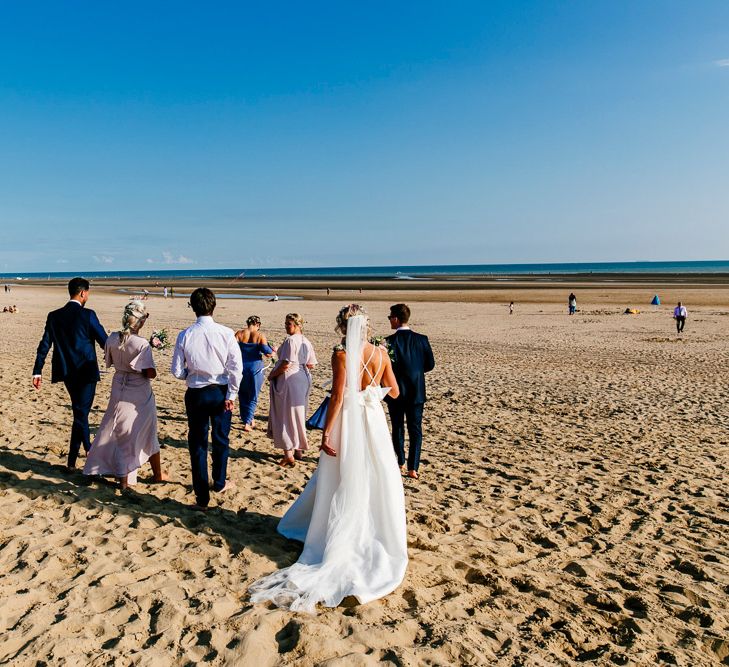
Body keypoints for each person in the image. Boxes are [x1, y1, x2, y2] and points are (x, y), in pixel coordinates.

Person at [250, 304, 407, 612]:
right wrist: (372, 391)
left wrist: (326, 433)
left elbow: (337, 397)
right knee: (376, 473)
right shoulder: (380, 353)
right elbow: (396, 393)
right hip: (373, 421)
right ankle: (375, 530)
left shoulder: (342, 355)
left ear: (342, 327)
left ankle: (336, 534)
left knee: (342, 475)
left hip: (351, 419)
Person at [171, 288, 243, 510]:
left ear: (193, 307)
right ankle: (219, 482)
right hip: (220, 391)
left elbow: (176, 370)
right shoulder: (226, 333)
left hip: (197, 392)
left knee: (198, 443)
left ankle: (202, 497)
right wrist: (232, 394)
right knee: (221, 439)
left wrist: (189, 375)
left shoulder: (185, 334)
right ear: (214, 306)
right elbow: (236, 368)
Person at [83, 300, 167, 489]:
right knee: (145, 430)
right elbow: (149, 373)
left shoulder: (112, 338)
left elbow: (109, 361)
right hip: (138, 391)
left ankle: (103, 465)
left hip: (118, 385)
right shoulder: (141, 343)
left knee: (112, 427)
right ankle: (153, 475)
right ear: (141, 322)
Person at [32, 277, 108, 470]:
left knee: (79, 413)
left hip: (66, 371)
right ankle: (90, 451)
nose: (87, 296)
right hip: (86, 371)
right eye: (88, 293)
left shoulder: (54, 316)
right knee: (81, 413)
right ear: (83, 293)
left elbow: (44, 345)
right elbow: (104, 341)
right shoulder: (88, 315)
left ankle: (71, 462)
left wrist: (37, 370)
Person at [385, 303, 435, 480]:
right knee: (415, 429)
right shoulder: (422, 339)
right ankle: (413, 467)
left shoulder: (389, 341)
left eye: (390, 317)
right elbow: (429, 365)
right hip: (416, 390)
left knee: (398, 428)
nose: (389, 320)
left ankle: (400, 462)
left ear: (397, 319)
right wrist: (415, 372)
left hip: (396, 391)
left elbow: (386, 367)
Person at [267, 313, 317, 466]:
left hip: (289, 379)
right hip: (303, 378)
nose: (286, 326)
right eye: (286, 323)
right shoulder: (306, 341)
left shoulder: (291, 340)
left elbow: (286, 364)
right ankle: (299, 450)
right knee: (298, 414)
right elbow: (311, 364)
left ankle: (289, 453)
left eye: (288, 324)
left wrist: (272, 375)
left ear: (297, 325)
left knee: (285, 414)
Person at [235, 315, 275, 431]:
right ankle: (247, 423)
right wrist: (274, 351)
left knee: (242, 394)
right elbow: (267, 352)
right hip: (255, 368)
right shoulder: (260, 335)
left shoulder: (239, 333)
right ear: (258, 325)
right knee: (253, 395)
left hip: (241, 367)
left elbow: (232, 348)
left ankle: (248, 418)